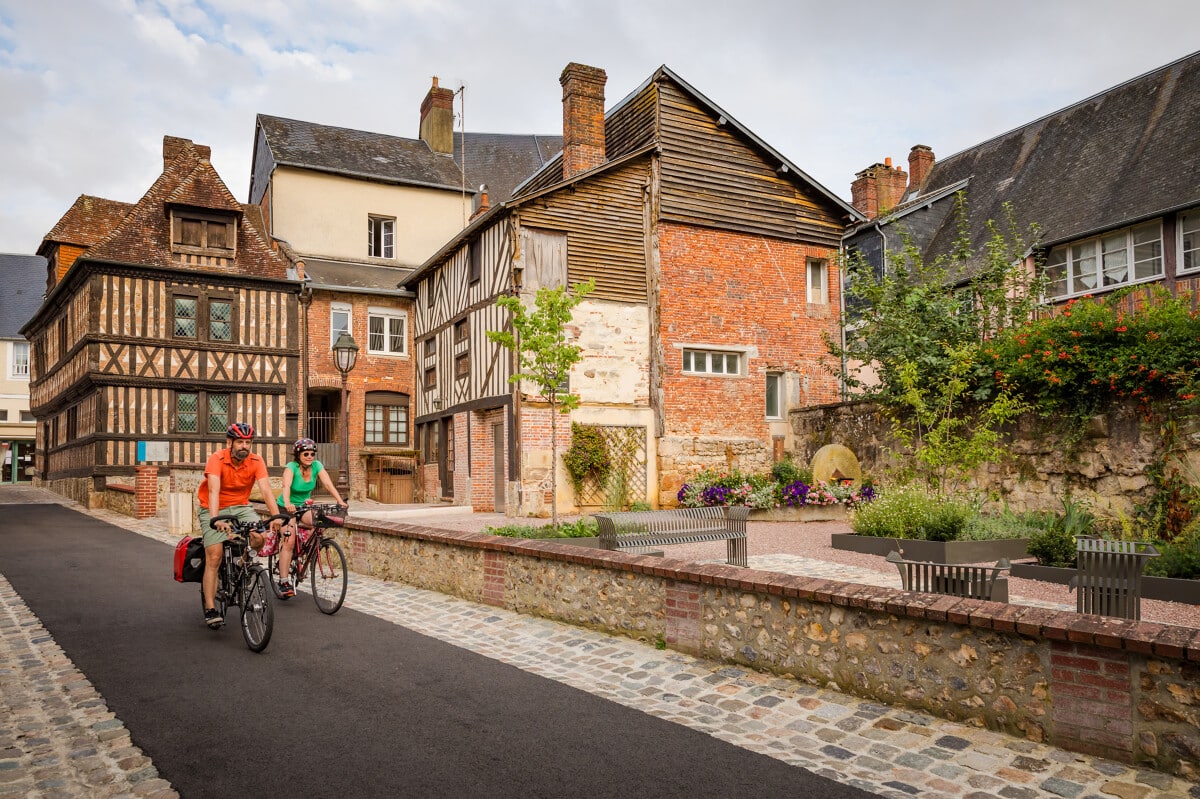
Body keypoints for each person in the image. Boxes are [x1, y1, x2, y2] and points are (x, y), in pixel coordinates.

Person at [196, 422, 283, 628]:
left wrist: (277, 516)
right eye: (240, 442)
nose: (244, 446)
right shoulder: (216, 459)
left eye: (248, 442)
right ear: (230, 442)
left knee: (259, 537)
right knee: (215, 555)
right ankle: (210, 608)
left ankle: (241, 564)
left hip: (241, 507)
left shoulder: (256, 461)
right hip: (212, 507)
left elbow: (266, 491)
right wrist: (217, 519)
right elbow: (213, 491)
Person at [273, 437, 347, 598]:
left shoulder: (317, 466)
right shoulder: (291, 467)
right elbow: (285, 486)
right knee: (289, 541)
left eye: (312, 454)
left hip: (304, 506)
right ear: (298, 455)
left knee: (318, 523)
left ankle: (302, 552)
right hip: (287, 507)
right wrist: (287, 503)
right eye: (306, 453)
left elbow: (328, 484)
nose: (309, 456)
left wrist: (340, 501)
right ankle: (284, 581)